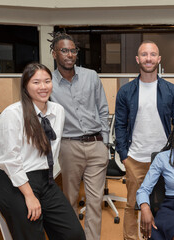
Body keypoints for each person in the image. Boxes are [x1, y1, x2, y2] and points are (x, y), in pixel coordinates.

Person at [0, 63, 85, 240]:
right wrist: (29, 195)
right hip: (16, 183)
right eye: (36, 82)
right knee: (32, 236)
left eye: (47, 81)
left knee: (73, 234)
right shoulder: (12, 114)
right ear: (25, 86)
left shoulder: (58, 111)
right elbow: (10, 160)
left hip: (45, 180)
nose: (43, 87)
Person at [115, 40, 174, 240]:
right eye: (144, 54)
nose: (148, 58)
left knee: (162, 204)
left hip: (164, 159)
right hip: (135, 158)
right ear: (138, 59)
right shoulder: (126, 91)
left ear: (159, 59)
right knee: (132, 205)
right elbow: (119, 126)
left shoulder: (172, 91)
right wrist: (124, 157)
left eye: (152, 54)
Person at [49, 31, 109, 240]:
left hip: (96, 145)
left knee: (95, 202)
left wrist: (106, 143)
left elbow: (103, 108)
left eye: (73, 50)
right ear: (54, 54)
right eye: (64, 50)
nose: (69, 54)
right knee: (70, 200)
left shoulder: (91, 76)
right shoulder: (48, 83)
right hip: (69, 147)